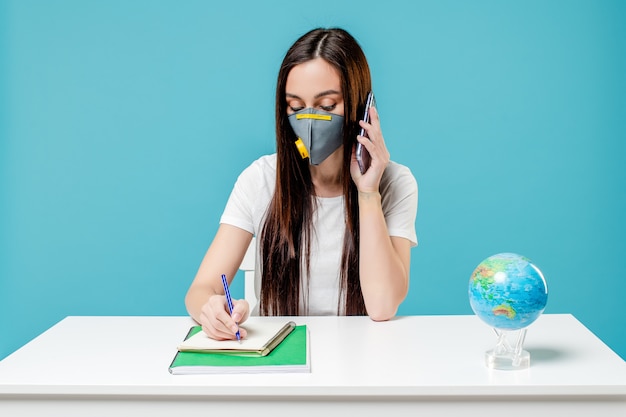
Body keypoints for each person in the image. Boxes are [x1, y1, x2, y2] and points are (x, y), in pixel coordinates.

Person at [185, 27, 418, 341]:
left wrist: (367, 191)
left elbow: (382, 307)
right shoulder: (260, 179)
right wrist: (210, 310)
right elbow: (200, 290)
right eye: (296, 107)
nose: (309, 121)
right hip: (282, 363)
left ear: (361, 107)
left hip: (363, 360)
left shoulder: (396, 183)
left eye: (326, 106)